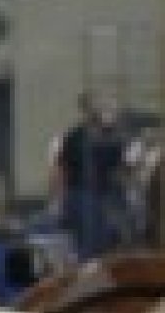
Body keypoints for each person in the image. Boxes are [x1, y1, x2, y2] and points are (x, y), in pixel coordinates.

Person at [54, 94, 131, 260]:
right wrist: (61, 200)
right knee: (88, 243)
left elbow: (120, 167)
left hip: (104, 194)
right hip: (81, 194)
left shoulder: (111, 138)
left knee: (112, 236)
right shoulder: (74, 137)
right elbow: (62, 168)